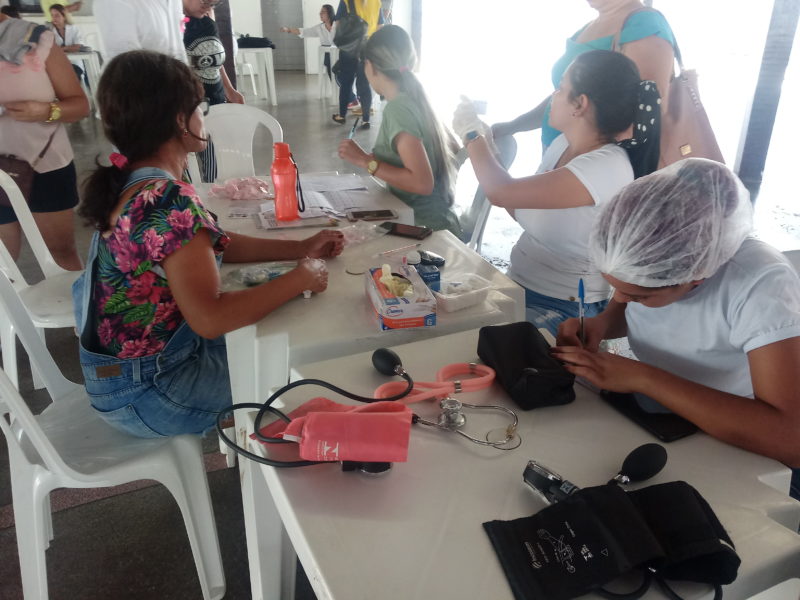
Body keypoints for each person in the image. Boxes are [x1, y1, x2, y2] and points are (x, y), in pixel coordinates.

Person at [74, 50, 344, 438]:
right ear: (179, 121)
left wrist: (300, 248)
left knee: (269, 340)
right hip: (152, 392)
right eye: (199, 109)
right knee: (302, 378)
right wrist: (301, 278)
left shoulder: (134, 181)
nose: (204, 117)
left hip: (123, 379)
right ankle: (269, 468)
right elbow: (210, 318)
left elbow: (212, 245)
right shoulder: (167, 198)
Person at [552, 159, 800, 481]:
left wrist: (643, 378)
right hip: (664, 416)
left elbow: (790, 439)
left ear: (697, 277)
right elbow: (630, 304)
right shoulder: (660, 257)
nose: (621, 299)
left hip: (742, 435)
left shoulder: (760, 286)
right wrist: (602, 324)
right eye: (616, 288)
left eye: (638, 297)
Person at [452, 50, 660, 336]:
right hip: (518, 285)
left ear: (580, 104)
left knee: (471, 343)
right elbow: (518, 204)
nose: (554, 95)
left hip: (566, 307)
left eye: (561, 88)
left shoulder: (606, 166)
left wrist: (471, 135)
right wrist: (487, 145)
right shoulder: (563, 144)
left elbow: (501, 193)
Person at [492, 0, 675, 153]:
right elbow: (567, 96)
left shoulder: (644, 23)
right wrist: (513, 126)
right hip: (558, 158)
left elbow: (645, 115)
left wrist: (583, 167)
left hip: (588, 171)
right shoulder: (587, 28)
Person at [338, 25, 461, 235]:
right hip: (435, 221)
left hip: (424, 231)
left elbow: (422, 184)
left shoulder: (398, 109)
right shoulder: (417, 98)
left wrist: (365, 161)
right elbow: (454, 149)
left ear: (371, 67)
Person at [0, 13, 88, 270]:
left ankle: (78, 296)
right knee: (4, 265)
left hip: (45, 166)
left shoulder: (36, 38)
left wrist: (46, 111)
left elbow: (80, 106)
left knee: (61, 252)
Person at [183, 0, 244, 182]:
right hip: (188, 105)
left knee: (214, 160)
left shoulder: (207, 17)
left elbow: (215, 57)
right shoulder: (173, 23)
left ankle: (211, 193)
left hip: (215, 98)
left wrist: (229, 89)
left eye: (213, 3)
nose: (208, 6)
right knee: (187, 164)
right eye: (205, 1)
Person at [331, 0, 383, 126]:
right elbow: (380, 27)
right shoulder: (376, 2)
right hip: (367, 47)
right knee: (364, 84)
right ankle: (366, 120)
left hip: (349, 47)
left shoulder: (346, 1)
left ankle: (342, 115)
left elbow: (338, 23)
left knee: (346, 83)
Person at [94, 0, 186, 63]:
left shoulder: (174, 2)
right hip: (141, 84)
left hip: (177, 81)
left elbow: (177, 47)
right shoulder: (114, 2)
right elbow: (126, 63)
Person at [281, 4, 337, 79]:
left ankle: (339, 81)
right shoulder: (319, 28)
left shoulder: (338, 25)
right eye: (320, 12)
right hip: (328, 57)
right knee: (329, 61)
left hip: (340, 55)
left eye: (323, 12)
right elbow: (305, 32)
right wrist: (288, 29)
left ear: (330, 13)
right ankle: (336, 81)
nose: (320, 14)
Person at [47, 3, 86, 84]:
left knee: (72, 76)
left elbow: (78, 47)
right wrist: (69, 48)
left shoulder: (73, 28)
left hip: (74, 64)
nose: (54, 18)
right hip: (58, 65)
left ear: (64, 16)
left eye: (57, 15)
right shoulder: (49, 31)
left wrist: (62, 49)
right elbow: (50, 50)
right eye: (52, 15)